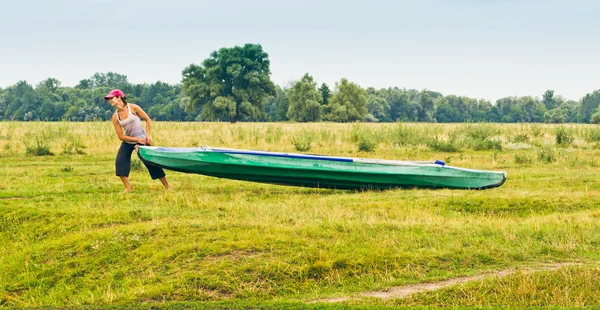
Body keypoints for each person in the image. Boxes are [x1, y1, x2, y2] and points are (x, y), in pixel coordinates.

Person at [104, 89, 170, 193]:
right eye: (109, 99)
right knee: (120, 162)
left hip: (142, 140)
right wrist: (135, 139)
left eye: (111, 98)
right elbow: (121, 136)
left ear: (119, 97)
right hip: (128, 141)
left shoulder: (133, 108)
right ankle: (128, 188)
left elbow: (147, 119)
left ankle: (167, 187)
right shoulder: (115, 116)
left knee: (152, 163)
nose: (109, 101)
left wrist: (147, 135)